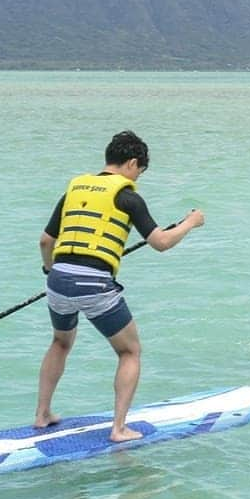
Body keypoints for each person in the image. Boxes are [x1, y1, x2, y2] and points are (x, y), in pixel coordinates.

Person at [36, 130, 205, 442]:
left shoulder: (74, 189)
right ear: (132, 163)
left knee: (60, 342)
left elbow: (46, 241)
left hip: (58, 281)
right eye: (139, 171)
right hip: (94, 284)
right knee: (130, 351)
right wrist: (190, 223)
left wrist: (50, 270)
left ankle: (42, 414)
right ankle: (119, 429)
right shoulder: (127, 196)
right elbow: (161, 242)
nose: (138, 178)